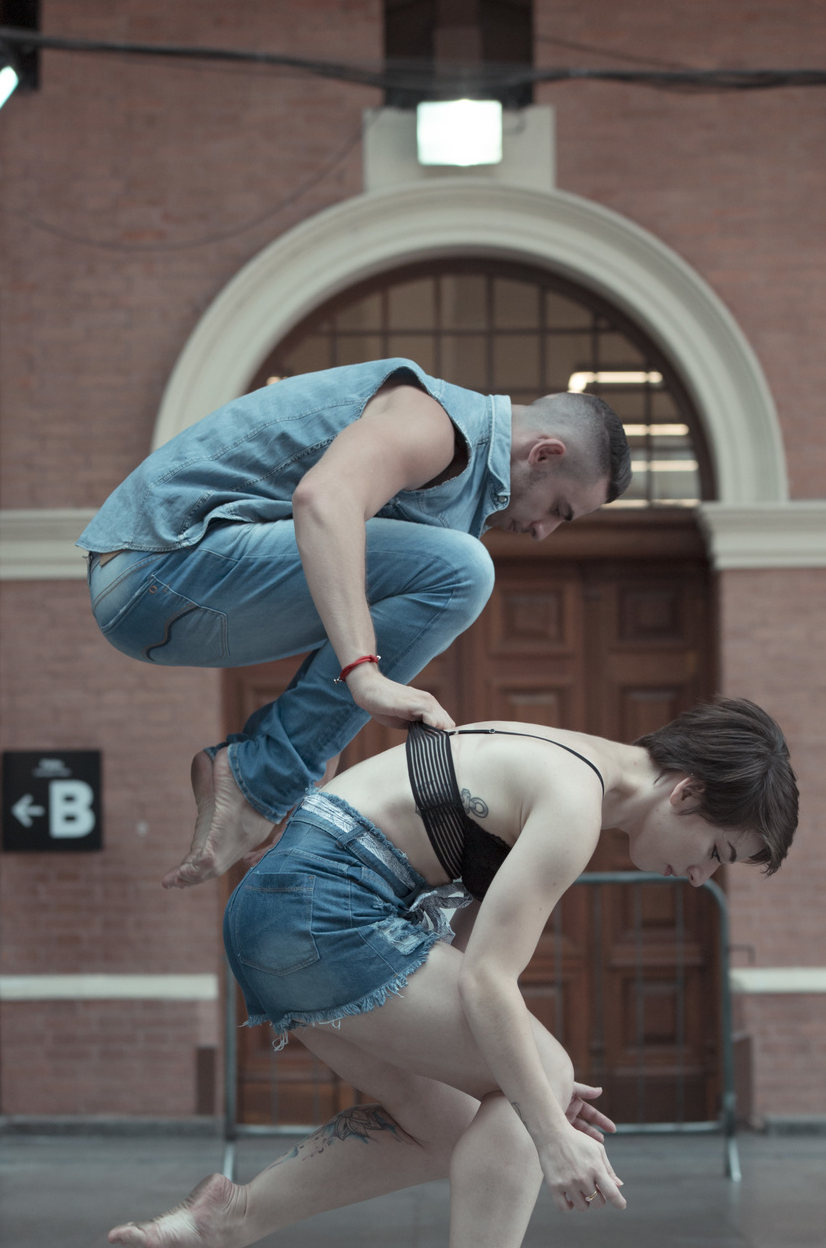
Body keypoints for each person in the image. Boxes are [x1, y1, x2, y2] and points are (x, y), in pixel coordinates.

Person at [109, 698, 799, 1248]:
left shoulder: (558, 755)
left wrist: (533, 1095)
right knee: (542, 1073)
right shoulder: (573, 798)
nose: (699, 878)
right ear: (687, 791)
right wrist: (550, 1127)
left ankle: (235, 1215)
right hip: (322, 911)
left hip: (271, 918)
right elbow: (485, 984)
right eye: (718, 852)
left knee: (453, 1125)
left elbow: (466, 968)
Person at [81, 359, 631, 887]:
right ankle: (256, 775)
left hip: (163, 609)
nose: (544, 533)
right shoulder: (435, 423)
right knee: (463, 570)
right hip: (160, 564)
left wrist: (316, 754)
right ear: (544, 454)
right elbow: (325, 499)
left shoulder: (460, 491)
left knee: (450, 565)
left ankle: (261, 777)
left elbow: (341, 583)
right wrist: (363, 675)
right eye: (559, 510)